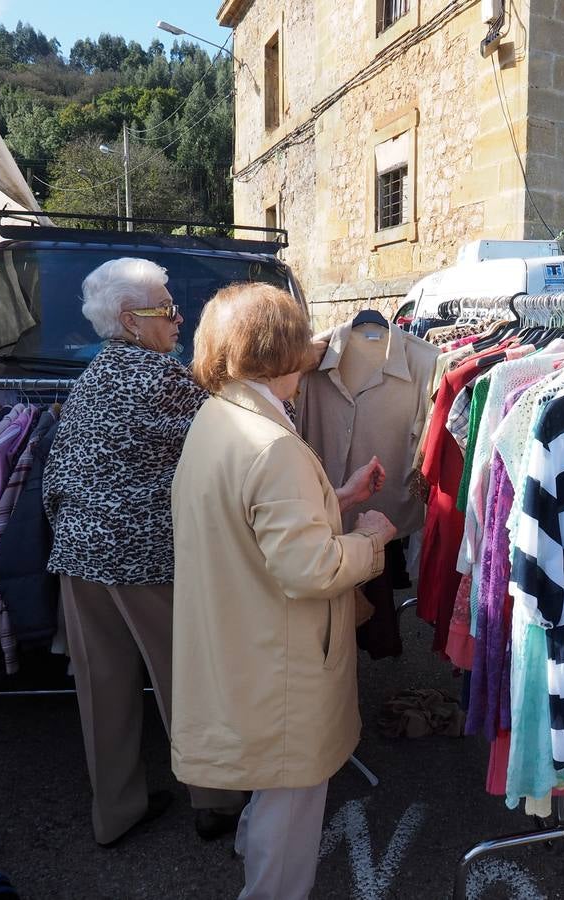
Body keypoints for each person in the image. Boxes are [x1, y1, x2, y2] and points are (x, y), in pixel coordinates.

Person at [170, 282, 398, 900]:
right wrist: (372, 539)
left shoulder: (219, 418)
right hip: (282, 655)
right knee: (293, 797)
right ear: (285, 352)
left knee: (271, 783)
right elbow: (310, 569)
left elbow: (250, 520)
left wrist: (339, 498)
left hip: (244, 637)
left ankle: (252, 856)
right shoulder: (271, 443)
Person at [43, 257, 245, 847]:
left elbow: (58, 472)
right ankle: (215, 801)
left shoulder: (93, 375)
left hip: (78, 554)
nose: (179, 320)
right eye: (168, 309)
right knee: (186, 679)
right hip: (145, 560)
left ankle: (115, 812)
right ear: (131, 319)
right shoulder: (162, 378)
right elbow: (229, 449)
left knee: (101, 690)